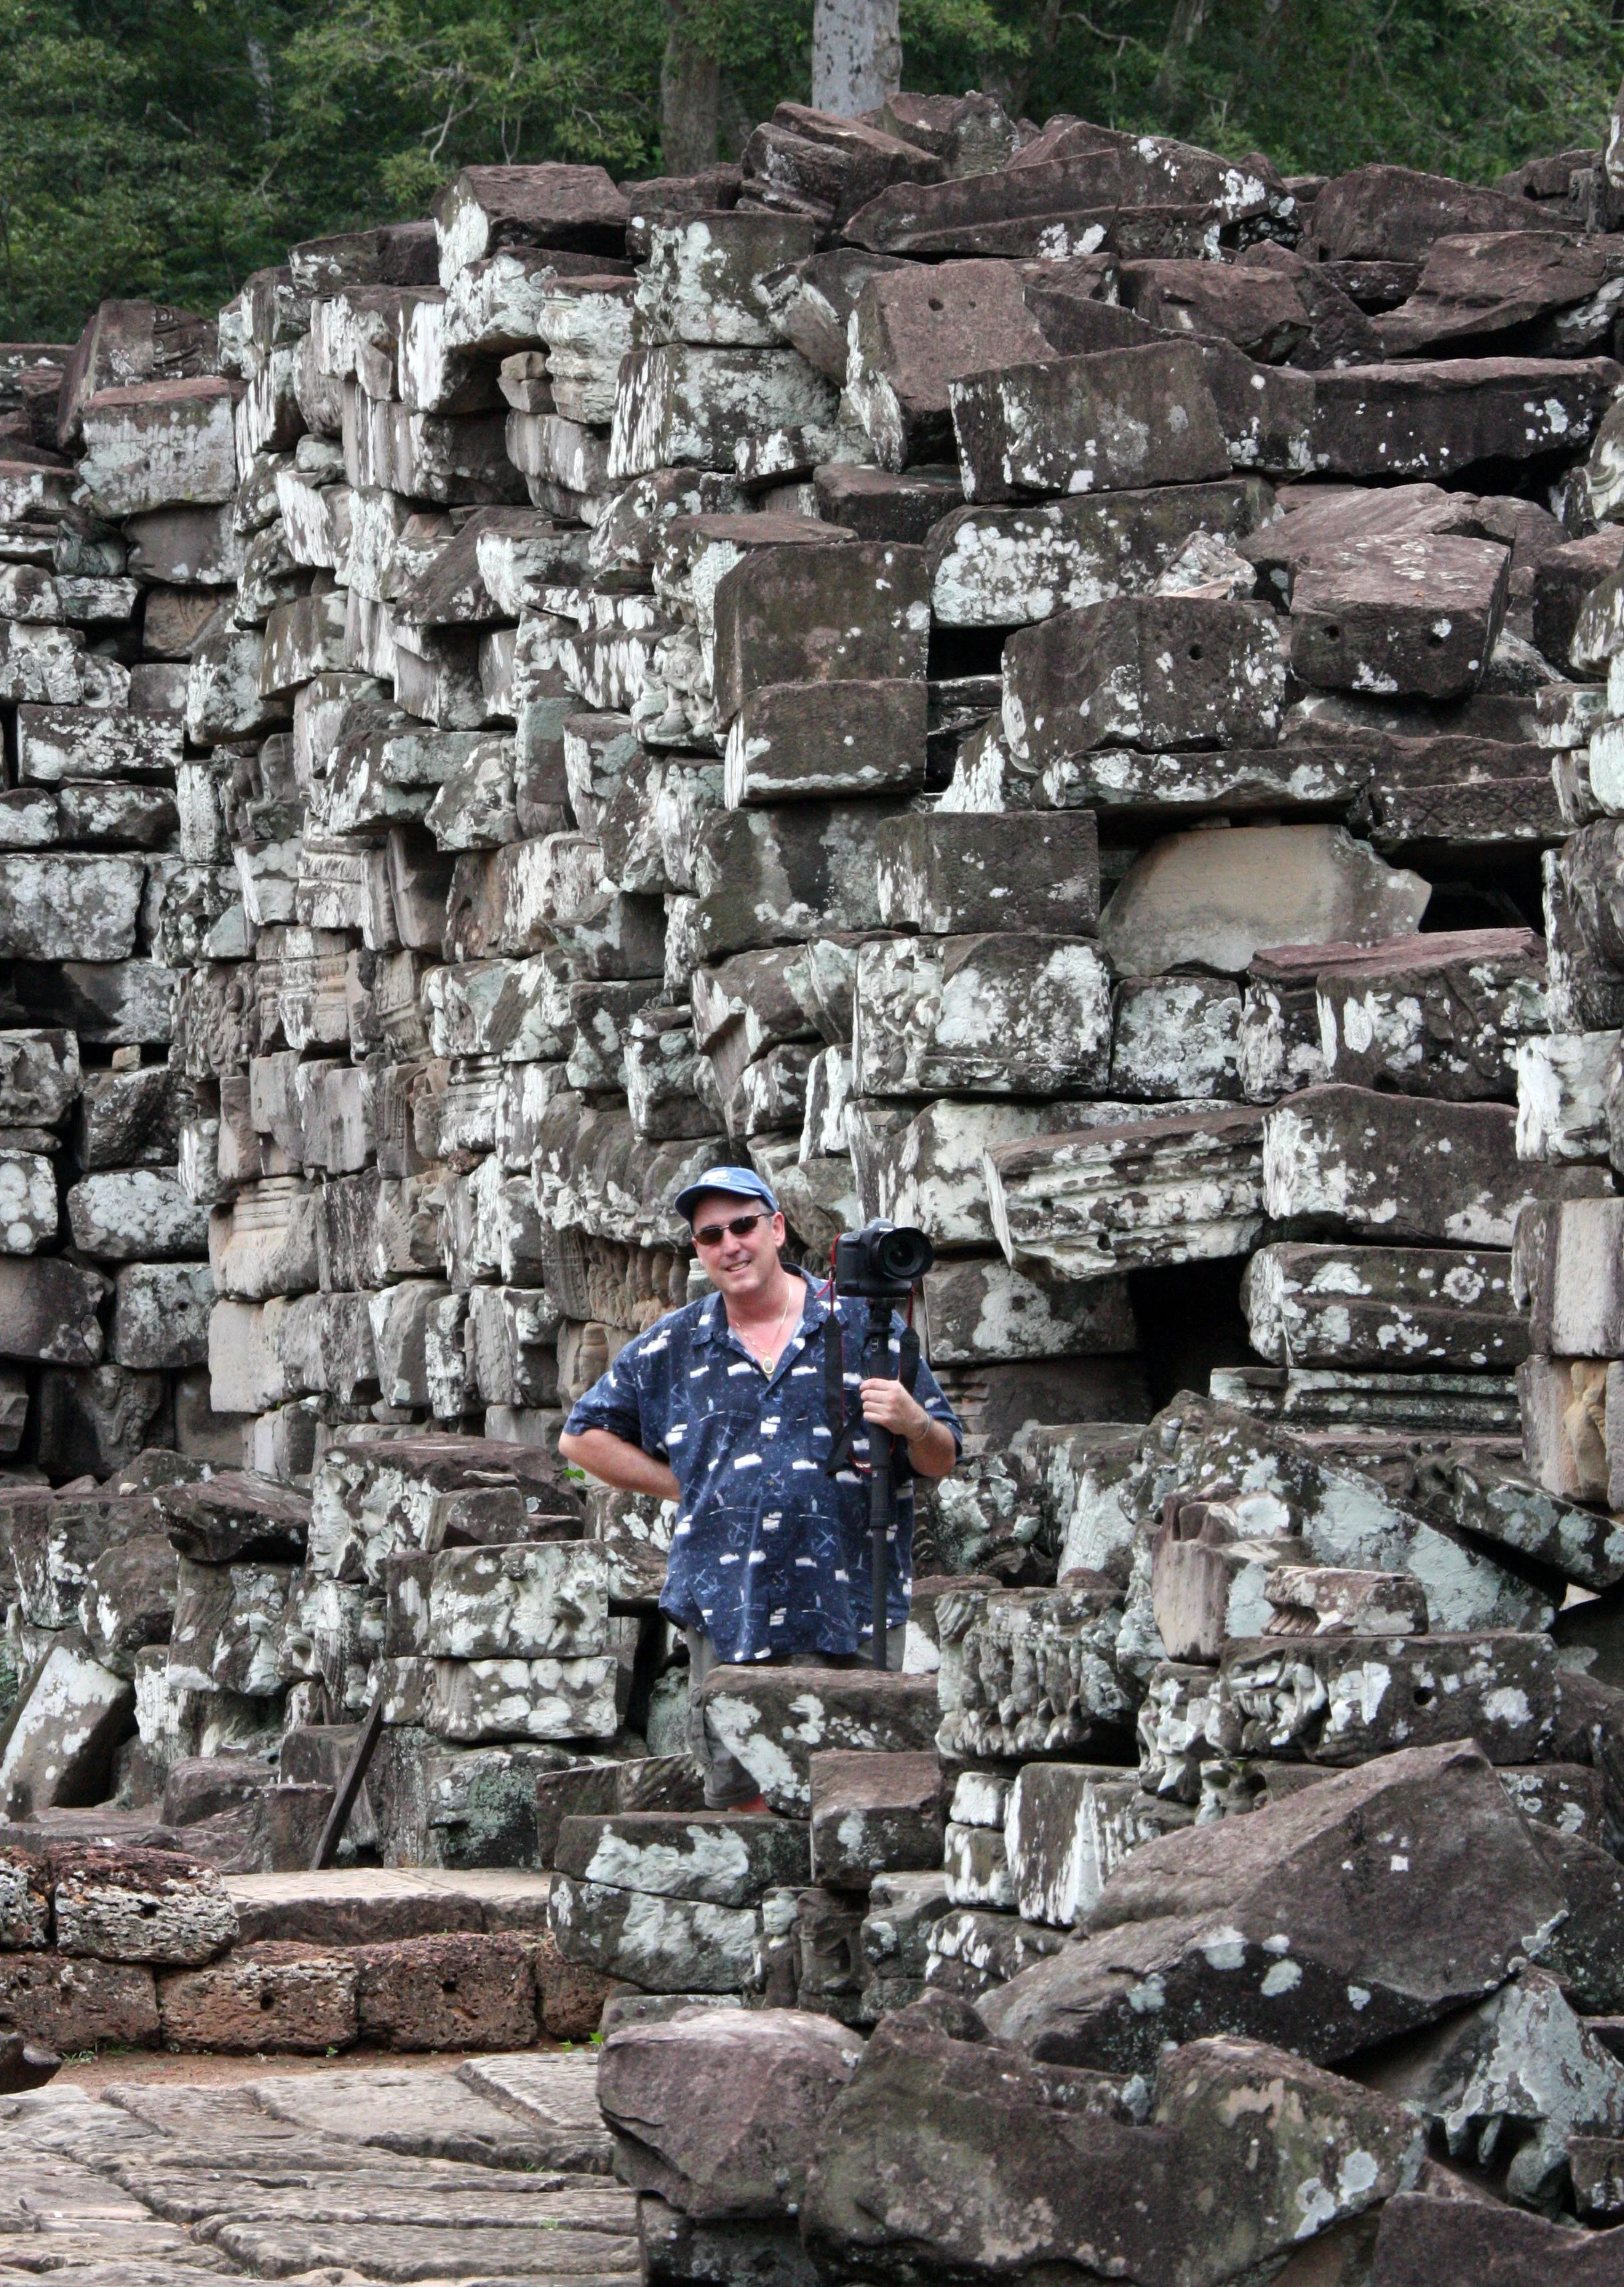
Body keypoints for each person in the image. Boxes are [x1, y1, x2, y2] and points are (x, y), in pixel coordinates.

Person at [558, 1166, 962, 1812]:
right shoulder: (672, 1345)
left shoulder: (866, 1327)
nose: (730, 1245)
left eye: (743, 1225)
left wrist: (914, 1422)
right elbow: (579, 1441)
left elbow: (941, 1457)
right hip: (729, 1605)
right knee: (744, 1801)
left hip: (850, 1597)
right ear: (698, 1250)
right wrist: (685, 1486)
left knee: (863, 1795)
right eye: (710, 1235)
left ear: (776, 1228)